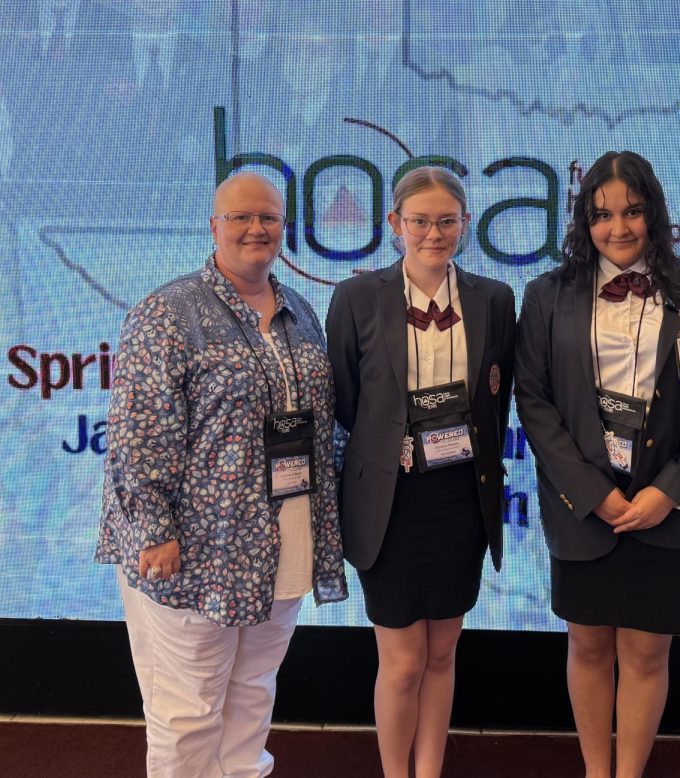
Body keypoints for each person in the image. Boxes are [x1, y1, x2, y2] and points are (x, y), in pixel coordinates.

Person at [96, 172, 347, 778]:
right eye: (240, 217)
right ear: (213, 227)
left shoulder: (300, 314)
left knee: (254, 693)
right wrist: (154, 529)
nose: (255, 228)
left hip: (283, 541)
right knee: (188, 710)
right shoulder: (168, 312)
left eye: (267, 217)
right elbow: (138, 431)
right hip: (193, 551)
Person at [515, 151, 680, 778]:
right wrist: (591, 491)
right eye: (603, 214)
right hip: (582, 504)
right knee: (587, 646)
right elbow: (533, 400)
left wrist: (670, 492)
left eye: (633, 211)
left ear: (654, 213)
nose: (619, 228)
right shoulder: (546, 295)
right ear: (584, 220)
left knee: (646, 653)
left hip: (663, 505)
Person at [326, 166, 516, 778]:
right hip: (391, 501)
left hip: (460, 498)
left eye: (446, 221)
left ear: (465, 223)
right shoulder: (357, 297)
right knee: (403, 661)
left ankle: (429, 772)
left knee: (442, 653)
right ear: (394, 225)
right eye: (420, 221)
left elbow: (496, 396)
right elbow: (348, 403)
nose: (433, 233)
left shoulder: (495, 299)